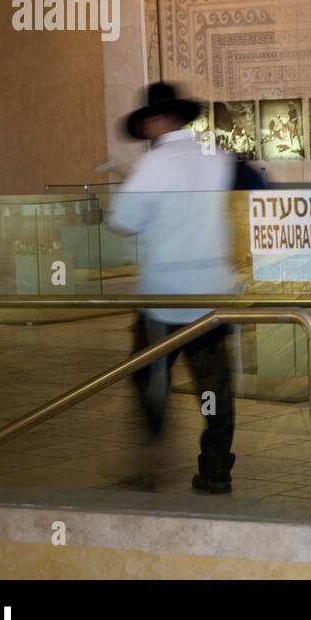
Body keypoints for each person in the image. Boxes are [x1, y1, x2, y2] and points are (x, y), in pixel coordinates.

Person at [109, 82, 238, 494]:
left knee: (146, 376)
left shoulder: (154, 164)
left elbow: (122, 219)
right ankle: (216, 469)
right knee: (215, 389)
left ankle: (150, 459)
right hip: (214, 294)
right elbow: (259, 189)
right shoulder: (217, 157)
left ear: (154, 121)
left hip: (164, 295)